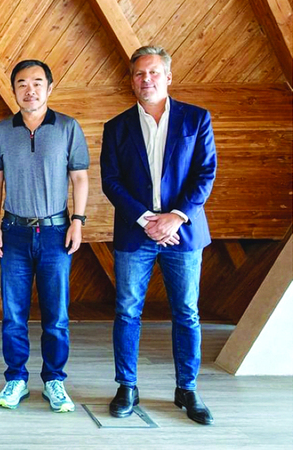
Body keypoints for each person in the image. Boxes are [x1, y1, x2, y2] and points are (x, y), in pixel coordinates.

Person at [100, 45, 217, 425]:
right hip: (135, 234)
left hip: (183, 234)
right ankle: (127, 386)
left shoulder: (196, 119)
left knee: (187, 313)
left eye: (153, 73)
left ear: (168, 76)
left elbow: (205, 173)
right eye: (139, 74)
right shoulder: (116, 127)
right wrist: (148, 220)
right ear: (131, 80)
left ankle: (187, 389)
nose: (146, 79)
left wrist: (175, 218)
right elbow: (111, 182)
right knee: (127, 311)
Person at [0, 60, 89, 412]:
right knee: (13, 314)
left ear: (49, 87)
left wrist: (78, 221)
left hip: (56, 232)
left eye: (36, 82)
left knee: (56, 315)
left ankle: (54, 380)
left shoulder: (68, 127)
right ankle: (16, 379)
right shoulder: (1, 130)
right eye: (21, 83)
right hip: (13, 231)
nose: (29, 90)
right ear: (14, 90)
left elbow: (79, 177)